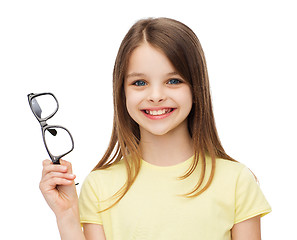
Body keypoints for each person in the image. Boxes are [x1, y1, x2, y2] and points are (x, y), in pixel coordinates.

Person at [40, 17, 271, 240]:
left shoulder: (236, 181)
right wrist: (67, 216)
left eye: (174, 81)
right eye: (140, 83)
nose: (156, 96)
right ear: (122, 92)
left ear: (196, 88)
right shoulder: (100, 185)